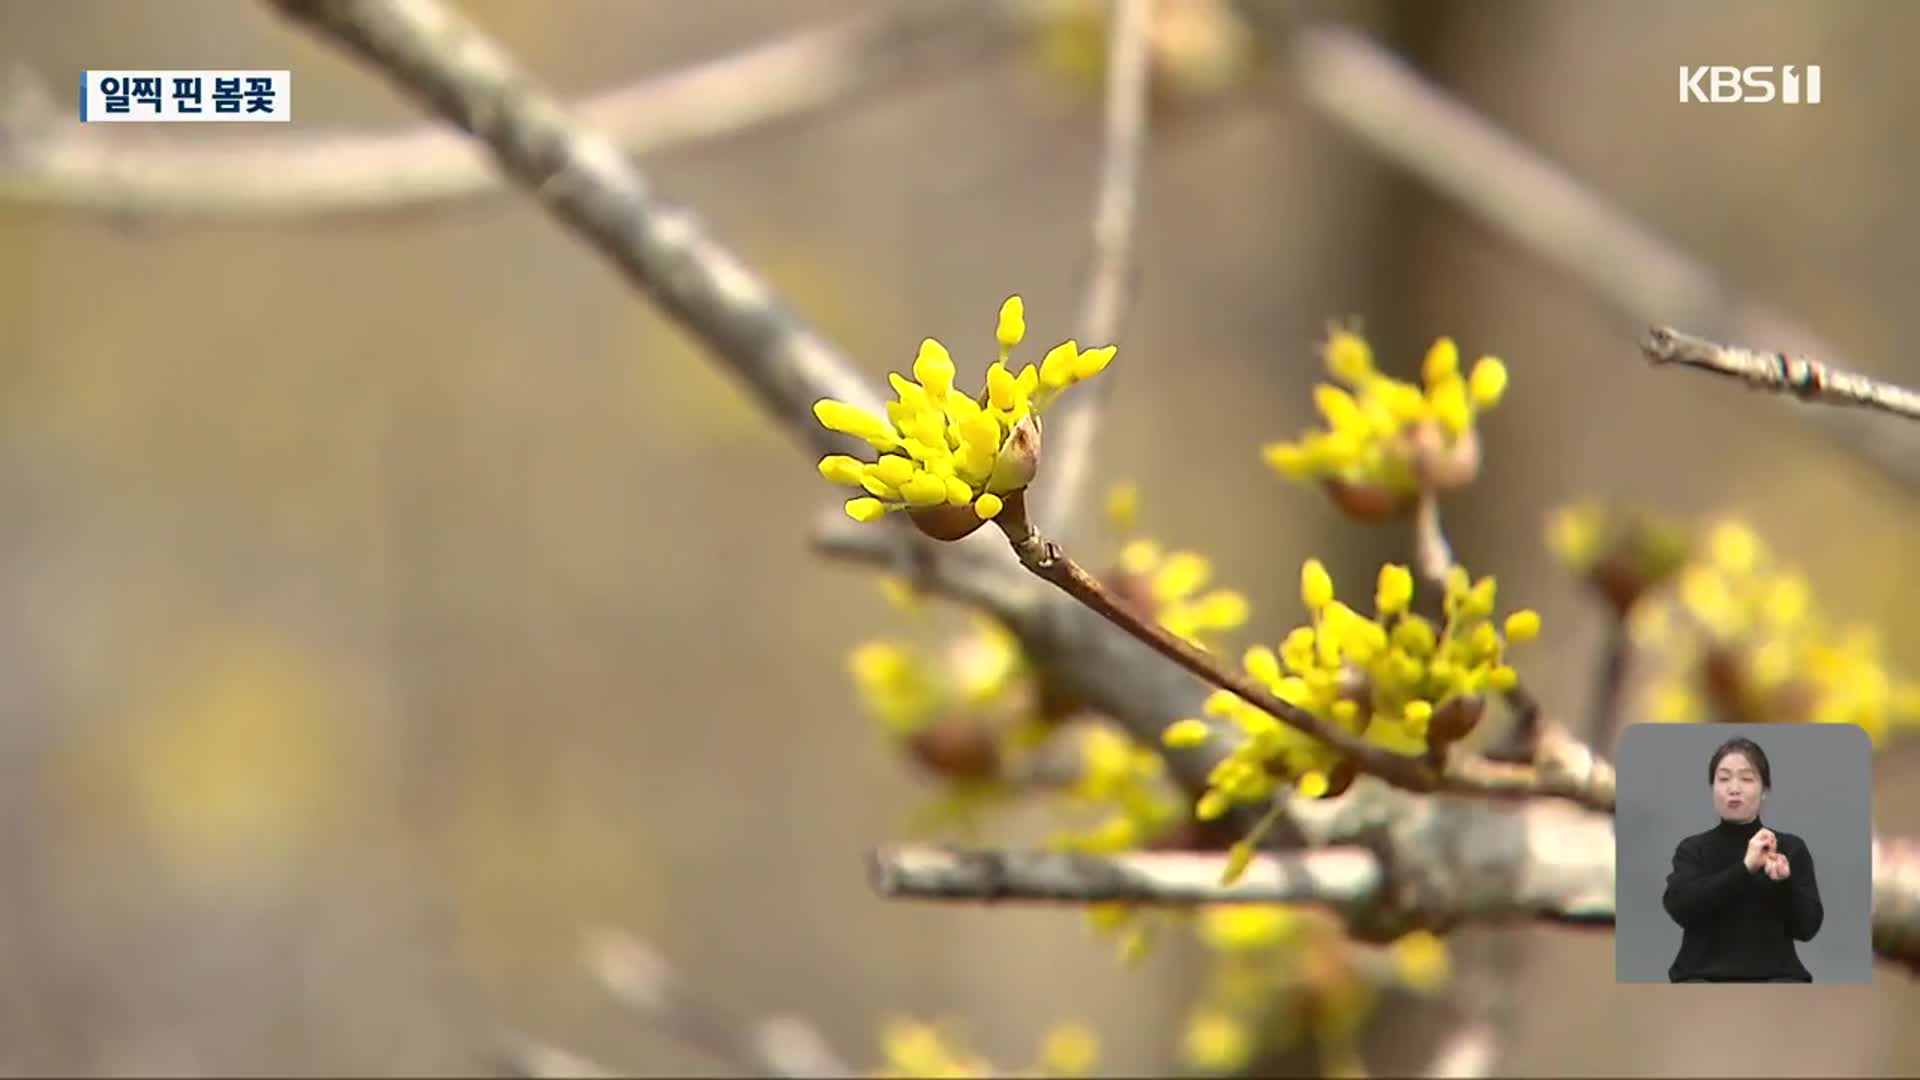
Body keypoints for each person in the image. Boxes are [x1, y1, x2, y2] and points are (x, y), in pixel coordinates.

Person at [1661, 736, 1824, 982]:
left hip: (1777, 981)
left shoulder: (1788, 848)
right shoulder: (1693, 849)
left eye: (1746, 779)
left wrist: (1783, 883)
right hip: (1701, 979)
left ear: (1764, 790)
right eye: (1724, 779)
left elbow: (1807, 928)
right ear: (1712, 788)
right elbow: (1680, 907)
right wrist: (1745, 868)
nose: (1733, 788)